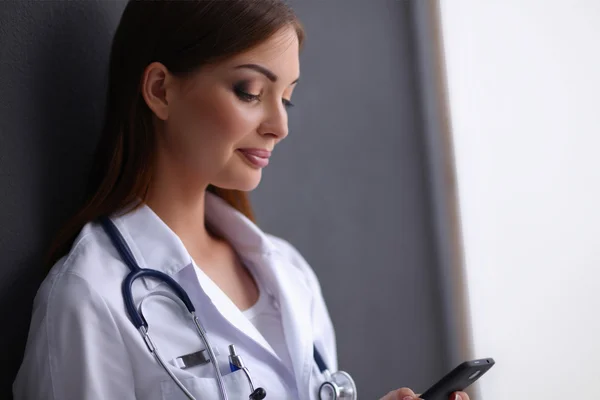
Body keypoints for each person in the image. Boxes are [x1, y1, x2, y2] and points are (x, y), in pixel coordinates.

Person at [13, 1, 470, 399]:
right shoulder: (88, 298)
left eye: (286, 100)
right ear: (159, 90)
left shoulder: (288, 274)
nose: (279, 125)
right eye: (250, 92)